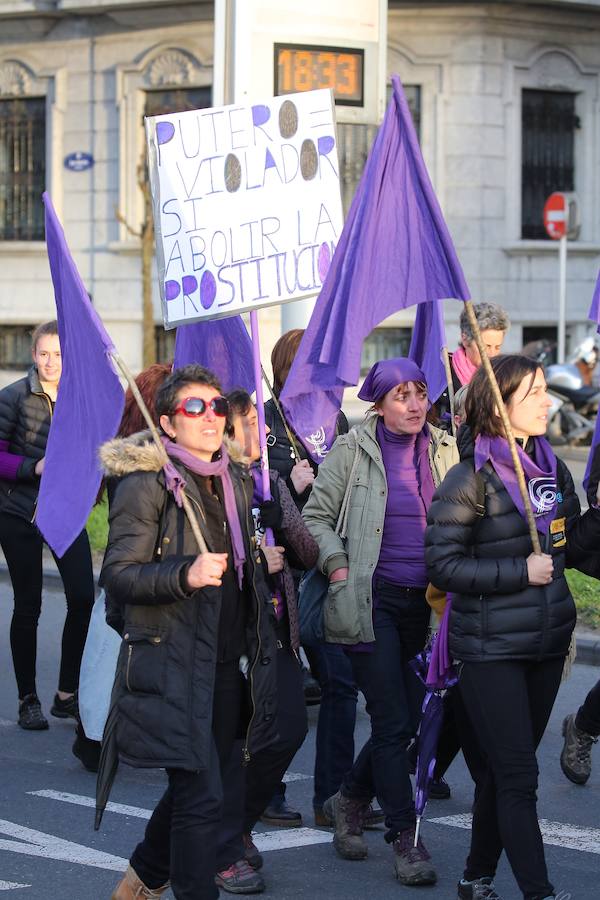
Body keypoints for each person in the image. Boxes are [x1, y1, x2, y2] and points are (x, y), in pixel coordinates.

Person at [425, 354, 600, 900]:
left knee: (504, 776)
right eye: (534, 393)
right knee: (520, 778)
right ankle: (539, 893)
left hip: (547, 644)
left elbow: (575, 554)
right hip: (489, 647)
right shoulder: (469, 478)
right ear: (499, 408)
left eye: (546, 389)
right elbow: (441, 566)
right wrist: (518, 571)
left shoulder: (552, 469)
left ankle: (475, 877)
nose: (548, 401)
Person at [101, 365, 279, 900]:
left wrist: (261, 563)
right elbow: (118, 573)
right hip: (172, 662)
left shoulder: (236, 479)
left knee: (197, 789)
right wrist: (186, 573)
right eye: (194, 408)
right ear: (167, 424)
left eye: (217, 406)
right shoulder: (146, 485)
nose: (210, 417)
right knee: (201, 798)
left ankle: (140, 880)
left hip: (226, 663)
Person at [303, 358, 458, 886]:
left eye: (419, 394)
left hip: (430, 603)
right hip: (372, 600)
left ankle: (348, 797)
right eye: (401, 396)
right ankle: (405, 838)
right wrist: (338, 564)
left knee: (412, 722)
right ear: (378, 404)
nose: (414, 405)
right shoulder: (352, 449)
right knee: (392, 722)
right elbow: (315, 518)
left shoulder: (443, 448)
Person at [265, 329, 371, 830]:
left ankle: (334, 797)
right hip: (279, 573)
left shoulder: (336, 419)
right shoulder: (263, 420)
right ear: (288, 366)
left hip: (326, 568)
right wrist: (291, 484)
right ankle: (266, 789)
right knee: (275, 689)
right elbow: (254, 493)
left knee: (341, 684)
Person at [214, 389, 317, 893]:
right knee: (241, 745)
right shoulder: (214, 487)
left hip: (275, 631)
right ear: (226, 432)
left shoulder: (268, 479)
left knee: (289, 729)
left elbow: (308, 551)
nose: (263, 430)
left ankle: (240, 824)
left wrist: (283, 514)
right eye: (250, 422)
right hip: (232, 638)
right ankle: (223, 844)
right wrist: (257, 553)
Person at [73, 363, 173, 772]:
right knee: (110, 656)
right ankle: (94, 735)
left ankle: (98, 734)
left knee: (111, 656)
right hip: (134, 574)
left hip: (139, 573)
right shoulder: (136, 464)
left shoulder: (140, 457)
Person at [0, 320, 94, 730]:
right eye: (44, 354)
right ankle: (28, 700)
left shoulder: (80, 399)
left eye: (57, 354)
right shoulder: (12, 398)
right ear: (33, 355)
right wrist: (31, 466)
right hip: (18, 511)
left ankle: (66, 694)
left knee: (83, 597)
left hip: (65, 510)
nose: (51, 361)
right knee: (29, 605)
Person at [450, 302, 510, 390]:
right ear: (465, 339)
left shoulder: (505, 378)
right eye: (486, 347)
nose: (492, 354)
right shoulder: (445, 377)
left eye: (497, 347)